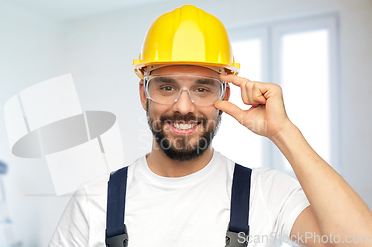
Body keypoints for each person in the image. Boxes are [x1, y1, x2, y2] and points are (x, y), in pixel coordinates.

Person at [49, 5, 372, 247]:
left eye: (202, 89)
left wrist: (282, 132)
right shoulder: (94, 202)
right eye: (166, 87)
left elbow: (359, 241)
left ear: (224, 95)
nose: (184, 106)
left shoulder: (266, 192)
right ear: (143, 94)